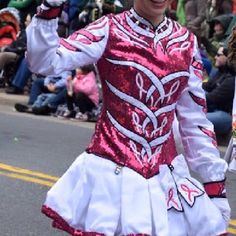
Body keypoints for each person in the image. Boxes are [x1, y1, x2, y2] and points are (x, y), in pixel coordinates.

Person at [26, 0, 231, 235]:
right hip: (111, 180)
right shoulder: (108, 29)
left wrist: (215, 187)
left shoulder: (186, 42)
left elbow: (194, 121)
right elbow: (44, 62)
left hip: (166, 181)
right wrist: (50, 6)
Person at [203, 46, 235, 135]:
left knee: (196, 118)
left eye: (218, 55)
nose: (215, 57)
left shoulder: (232, 79)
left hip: (226, 116)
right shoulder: (221, 71)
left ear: (228, 57)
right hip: (214, 108)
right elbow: (206, 87)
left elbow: (211, 98)